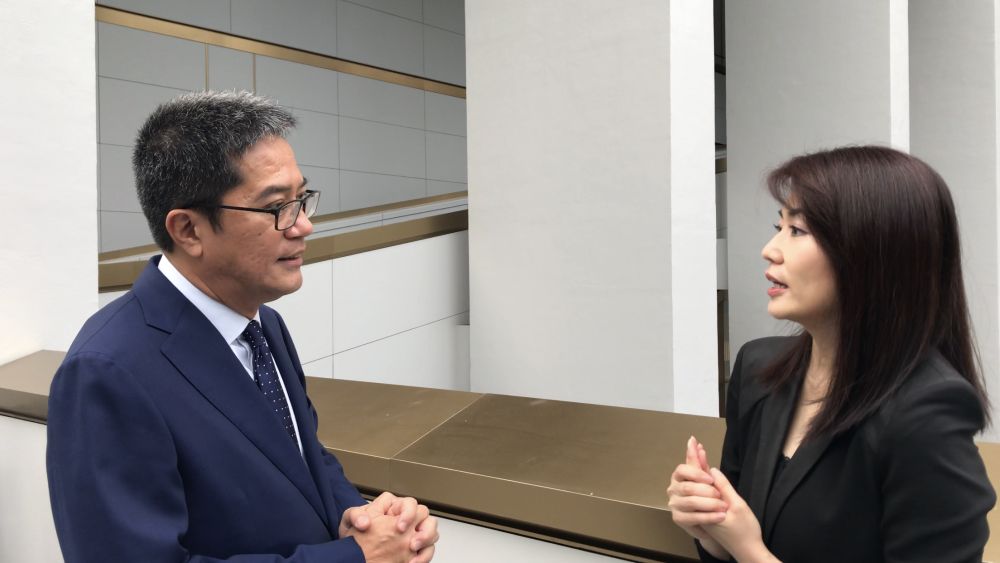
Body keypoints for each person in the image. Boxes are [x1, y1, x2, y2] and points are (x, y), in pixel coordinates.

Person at [47, 91, 439, 562]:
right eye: (276, 208)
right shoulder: (107, 372)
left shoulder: (263, 325)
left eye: (301, 199)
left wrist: (361, 518)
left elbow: (301, 459)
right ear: (188, 230)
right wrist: (355, 558)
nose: (302, 226)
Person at [667, 146, 995, 562]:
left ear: (872, 250)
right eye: (778, 226)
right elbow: (735, 539)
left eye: (797, 230)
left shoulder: (926, 411)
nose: (771, 248)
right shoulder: (758, 370)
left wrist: (749, 549)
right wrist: (710, 527)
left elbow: (751, 547)